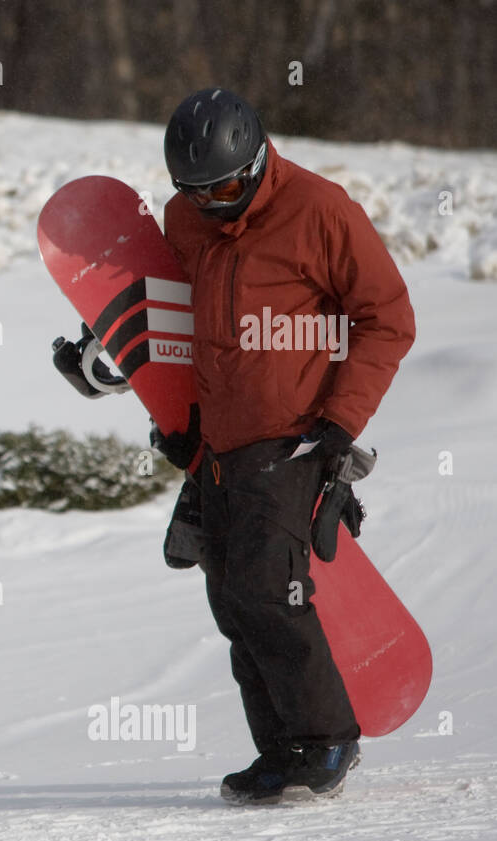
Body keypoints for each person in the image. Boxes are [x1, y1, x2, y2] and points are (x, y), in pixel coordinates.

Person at [155, 88, 415, 803]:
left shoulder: (322, 211)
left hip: (295, 437)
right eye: (197, 193)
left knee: (271, 590)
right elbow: (171, 315)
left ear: (260, 157)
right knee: (232, 599)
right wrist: (130, 382)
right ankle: (281, 750)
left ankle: (327, 738)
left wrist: (340, 423)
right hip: (220, 443)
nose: (214, 205)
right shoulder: (187, 220)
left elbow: (387, 319)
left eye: (229, 188)